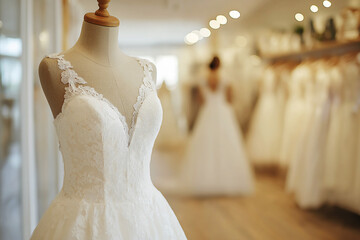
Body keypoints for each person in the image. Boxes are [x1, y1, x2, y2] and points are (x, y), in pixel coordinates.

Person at [180, 56, 254, 196]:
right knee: (226, 144)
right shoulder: (226, 79)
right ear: (220, 65)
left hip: (207, 112)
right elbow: (229, 99)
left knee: (206, 146)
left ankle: (205, 181)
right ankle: (226, 179)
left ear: (209, 66)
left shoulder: (202, 80)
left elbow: (201, 100)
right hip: (223, 112)